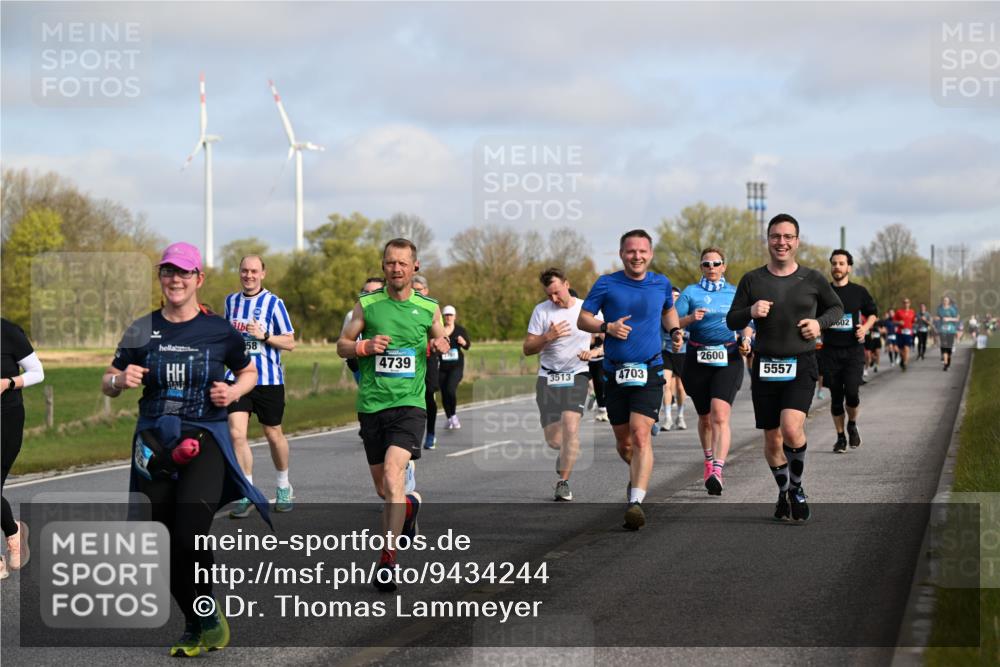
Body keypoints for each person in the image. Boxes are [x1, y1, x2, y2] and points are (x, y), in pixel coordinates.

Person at [102, 242, 268, 656]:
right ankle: (200, 621)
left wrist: (233, 391)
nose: (175, 280)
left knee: (189, 533)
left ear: (199, 280)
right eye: (168, 272)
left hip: (204, 438)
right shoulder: (142, 329)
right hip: (154, 441)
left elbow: (249, 371)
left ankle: (201, 617)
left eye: (184, 273)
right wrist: (119, 382)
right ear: (160, 278)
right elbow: (109, 378)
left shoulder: (218, 330)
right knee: (158, 541)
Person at [337, 238, 449, 590]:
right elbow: (341, 344)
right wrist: (363, 347)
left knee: (393, 471)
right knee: (385, 489)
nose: (395, 269)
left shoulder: (427, 307)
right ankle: (410, 507)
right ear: (383, 266)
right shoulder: (367, 306)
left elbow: (440, 336)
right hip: (372, 406)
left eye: (402, 263)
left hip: (410, 406)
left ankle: (387, 559)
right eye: (390, 263)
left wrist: (442, 342)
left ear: (415, 267)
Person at [726, 214, 843, 522]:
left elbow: (837, 308)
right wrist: (750, 310)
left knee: (792, 428)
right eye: (776, 236)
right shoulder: (753, 280)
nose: (782, 242)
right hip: (764, 365)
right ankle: (783, 490)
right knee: (772, 439)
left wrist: (818, 324)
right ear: (768, 240)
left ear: (797, 241)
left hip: (801, 363)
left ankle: (798, 488)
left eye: (788, 236)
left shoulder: (813, 278)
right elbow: (731, 319)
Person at [578, 229, 683, 530]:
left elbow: (669, 310)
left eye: (642, 251)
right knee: (625, 443)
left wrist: (675, 331)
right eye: (630, 251)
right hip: (615, 372)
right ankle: (639, 469)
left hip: (650, 369)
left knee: (640, 435)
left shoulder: (660, 283)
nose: (636, 256)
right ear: (622, 253)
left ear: (650, 253)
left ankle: (635, 501)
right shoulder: (607, 283)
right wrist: (606, 326)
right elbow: (582, 318)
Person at [225, 255, 297, 518]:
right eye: (245, 270)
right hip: (236, 379)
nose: (249, 275)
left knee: (273, 434)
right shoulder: (230, 302)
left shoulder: (274, 303)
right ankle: (247, 491)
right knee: (236, 434)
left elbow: (290, 342)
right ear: (239, 272)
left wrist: (264, 336)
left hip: (268, 380)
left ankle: (283, 486)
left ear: (263, 274)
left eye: (254, 271)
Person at [674, 248, 749, 495]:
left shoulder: (735, 292)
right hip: (697, 357)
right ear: (701, 268)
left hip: (728, 356)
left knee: (719, 415)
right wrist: (689, 320)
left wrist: (746, 339)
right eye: (707, 264)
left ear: (724, 266)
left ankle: (717, 470)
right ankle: (708, 460)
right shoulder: (690, 293)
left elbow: (749, 323)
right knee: (705, 418)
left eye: (716, 263)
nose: (712, 268)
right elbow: (671, 321)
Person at [524, 268, 593, 502]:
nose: (554, 299)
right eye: (549, 295)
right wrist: (547, 337)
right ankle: (567, 448)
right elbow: (527, 348)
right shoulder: (541, 311)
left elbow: (607, 335)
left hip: (577, 374)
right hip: (548, 377)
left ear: (566, 283)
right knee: (555, 440)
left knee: (571, 428)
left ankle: (563, 482)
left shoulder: (587, 308)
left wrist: (594, 351)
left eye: (556, 292)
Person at [820, 250, 878, 453]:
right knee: (836, 397)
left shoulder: (859, 292)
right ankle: (840, 437)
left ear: (849, 267)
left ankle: (852, 424)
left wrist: (865, 328)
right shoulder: (823, 292)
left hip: (853, 350)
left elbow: (873, 314)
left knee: (852, 394)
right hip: (830, 351)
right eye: (834, 263)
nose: (837, 267)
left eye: (841, 263)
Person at [0, 318, 44, 579]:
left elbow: (37, 372)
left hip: (7, 418)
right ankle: (13, 530)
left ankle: (14, 534)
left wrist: (9, 383)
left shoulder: (7, 331)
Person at [412, 275, 441, 449]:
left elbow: (441, 334)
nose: (415, 293)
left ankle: (430, 433)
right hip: (409, 359)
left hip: (429, 358)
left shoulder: (431, 308)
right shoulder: (404, 307)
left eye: (419, 290)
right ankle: (412, 435)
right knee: (413, 398)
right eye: (413, 290)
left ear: (426, 291)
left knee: (428, 395)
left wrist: (437, 341)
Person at [658, 286, 689, 433]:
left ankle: (681, 415)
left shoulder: (686, 312)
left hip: (682, 352)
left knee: (681, 387)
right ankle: (668, 418)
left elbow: (692, 330)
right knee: (666, 385)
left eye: (677, 295)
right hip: (665, 351)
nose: (674, 298)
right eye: (671, 296)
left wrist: (684, 334)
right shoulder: (662, 312)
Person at [344, 277, 386, 385]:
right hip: (361, 366)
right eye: (366, 292)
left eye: (375, 292)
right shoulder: (351, 315)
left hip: (388, 368)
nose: (369, 295)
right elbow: (344, 343)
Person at [439, 305, 471, 431]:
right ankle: (449, 417)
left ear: (455, 316)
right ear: (443, 316)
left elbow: (468, 345)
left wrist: (464, 342)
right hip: (441, 366)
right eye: (446, 315)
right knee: (444, 392)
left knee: (450, 389)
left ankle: (454, 416)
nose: (448, 317)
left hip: (456, 366)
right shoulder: (439, 330)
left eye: (450, 315)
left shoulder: (460, 330)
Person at [892, 298, 917, 371]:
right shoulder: (899, 312)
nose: (906, 304)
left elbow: (913, 321)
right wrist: (898, 322)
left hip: (908, 333)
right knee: (901, 350)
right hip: (900, 333)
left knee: (907, 349)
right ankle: (902, 360)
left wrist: (914, 322)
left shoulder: (912, 312)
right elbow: (893, 321)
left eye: (907, 302)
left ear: (910, 303)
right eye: (905, 302)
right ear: (903, 304)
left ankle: (905, 363)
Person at [937, 296, 960, 371]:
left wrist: (949, 319)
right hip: (942, 330)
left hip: (951, 330)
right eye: (944, 300)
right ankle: (945, 364)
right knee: (944, 346)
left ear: (949, 301)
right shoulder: (940, 309)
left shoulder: (952, 309)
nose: (945, 301)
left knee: (949, 348)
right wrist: (936, 319)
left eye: (946, 300)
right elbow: (938, 317)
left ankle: (948, 361)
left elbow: (956, 319)